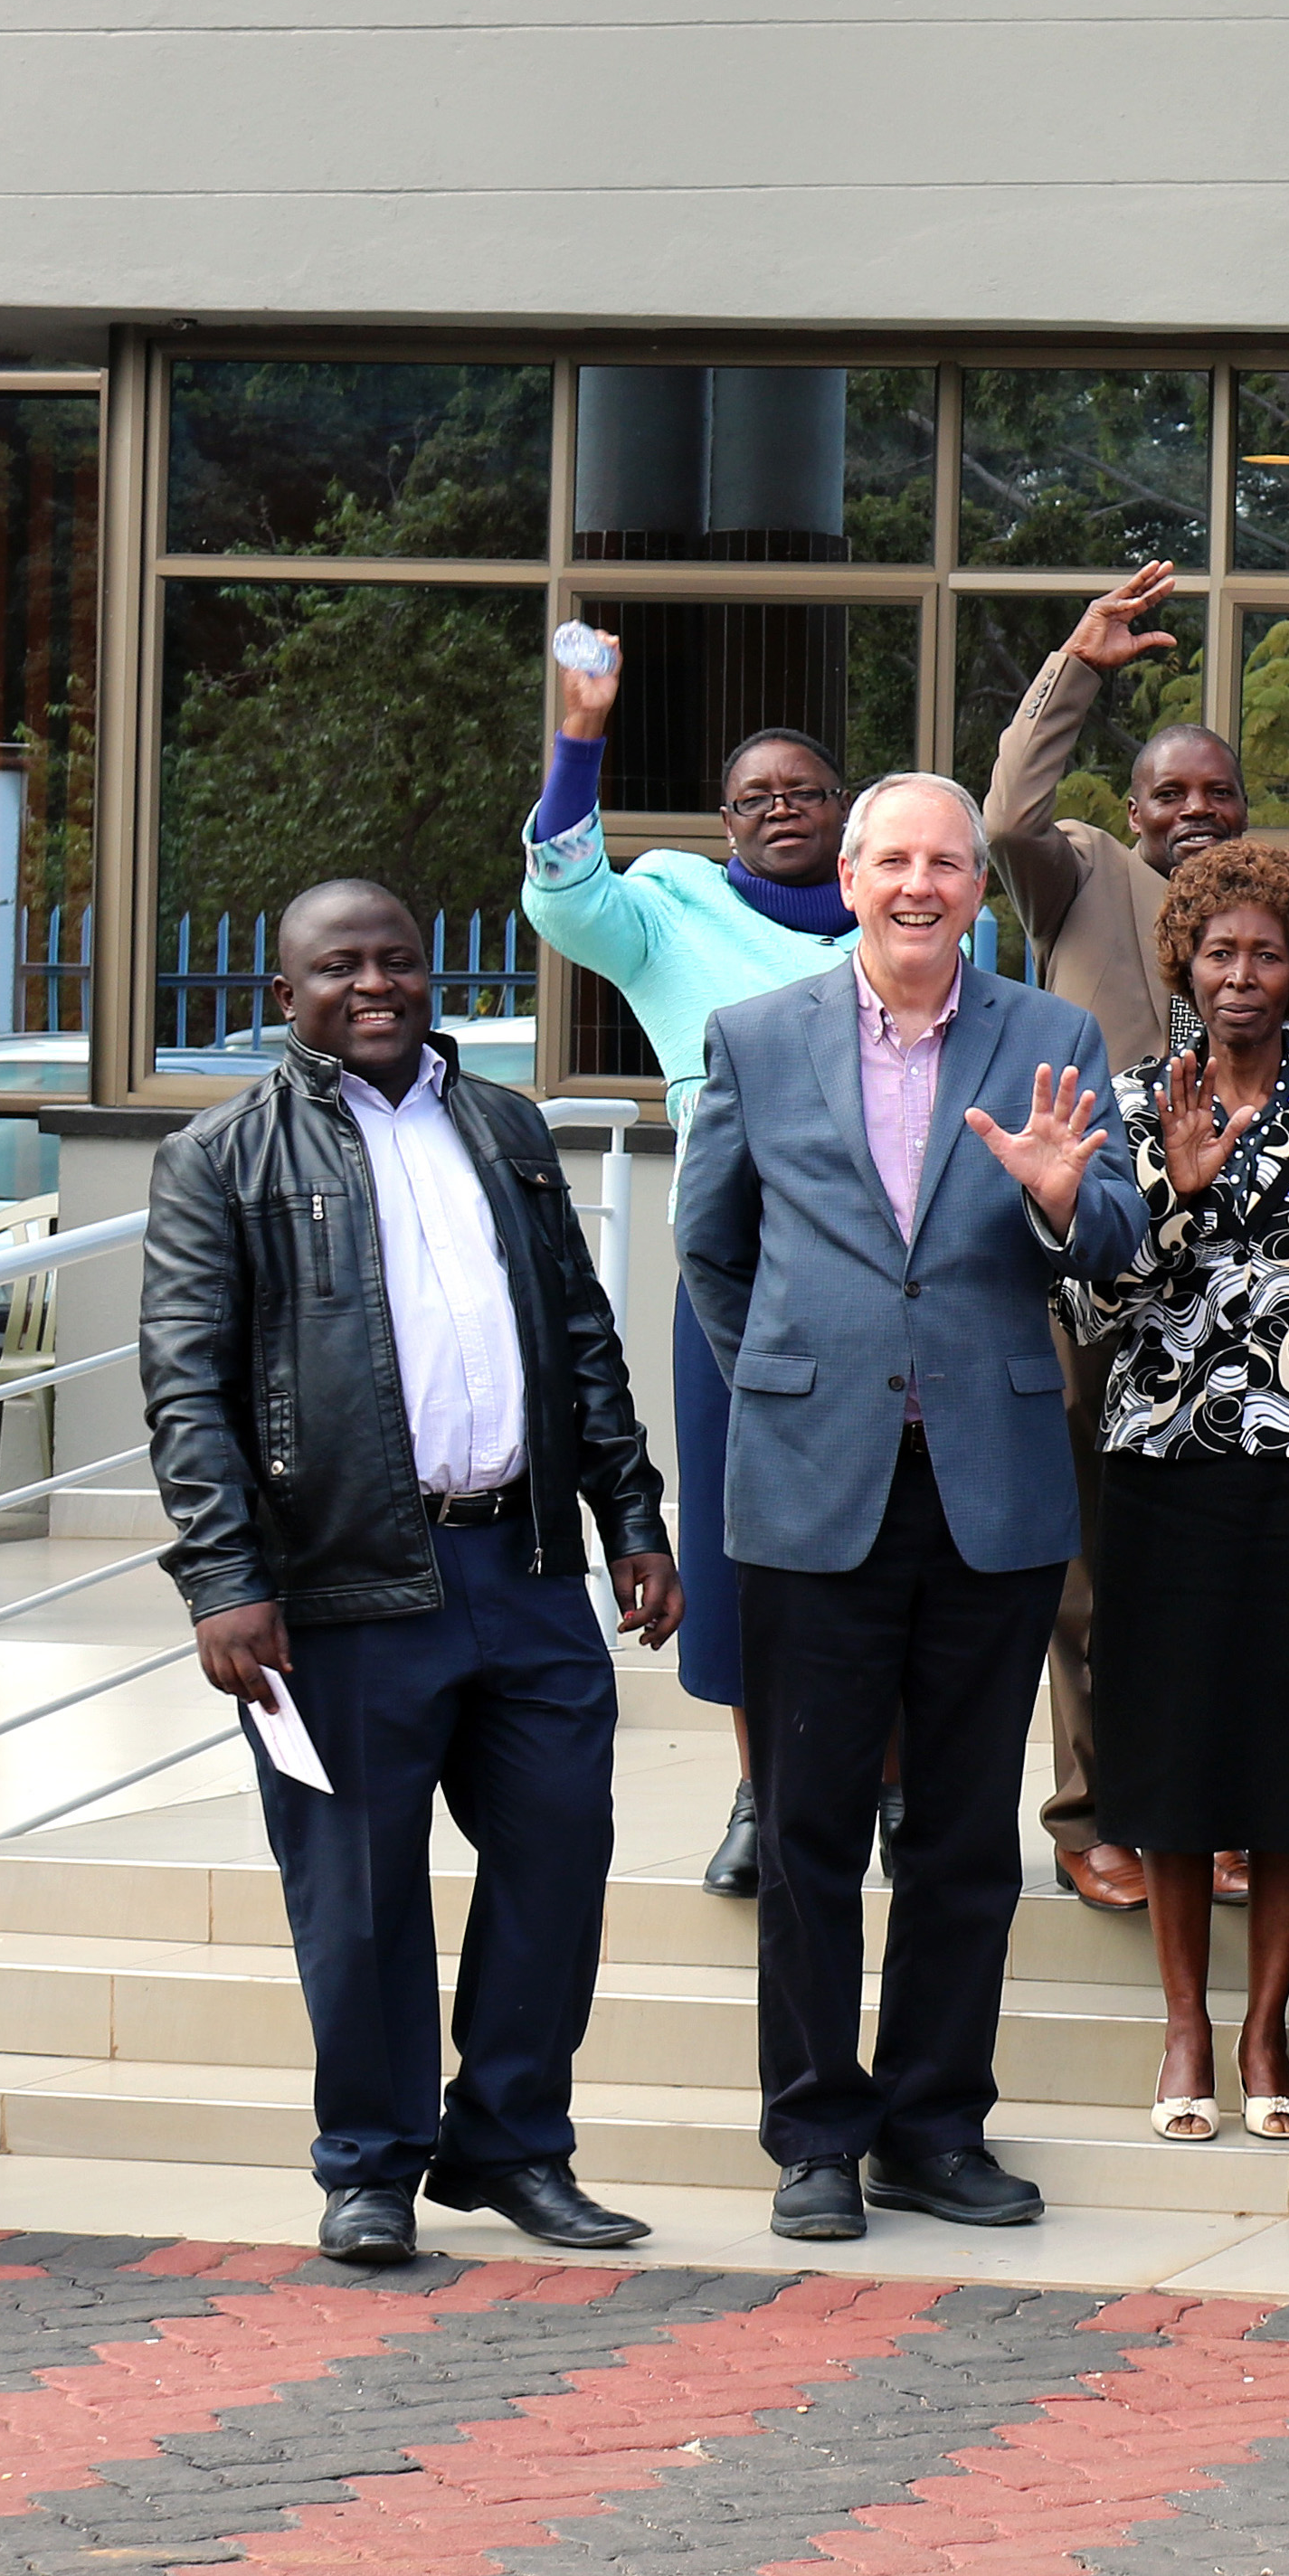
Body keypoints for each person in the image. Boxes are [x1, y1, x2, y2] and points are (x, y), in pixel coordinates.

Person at [138, 881, 680, 2266]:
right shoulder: (224, 1156)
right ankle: (370, 2164)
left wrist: (631, 1514)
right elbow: (186, 1386)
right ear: (285, 996)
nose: (373, 983)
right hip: (335, 1591)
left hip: (526, 1565)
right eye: (339, 966)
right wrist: (222, 1579)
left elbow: (577, 1328)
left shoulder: (498, 1124)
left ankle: (509, 2146)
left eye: (396, 960)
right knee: (361, 1893)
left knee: (558, 1859)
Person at [678, 771, 1147, 2244]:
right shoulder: (756, 1040)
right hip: (816, 1485)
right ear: (854, 877)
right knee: (810, 1822)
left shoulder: (1052, 1035)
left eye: (947, 860)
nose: (921, 883)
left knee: (958, 1832)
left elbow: (1119, 1245)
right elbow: (713, 1248)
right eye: (894, 859)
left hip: (991, 1486)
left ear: (970, 884)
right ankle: (816, 2132)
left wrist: (1067, 1201)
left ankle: (936, 2126)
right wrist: (800, 1371)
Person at [1066, 841, 1289, 2149]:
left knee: (1280, 1756)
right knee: (1166, 1756)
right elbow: (1091, 1303)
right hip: (1162, 1465)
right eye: (1219, 951)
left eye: (1267, 953)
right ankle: (1186, 2028)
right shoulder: (1127, 1098)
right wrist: (1176, 1195)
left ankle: (1268, 2028)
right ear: (1185, 961)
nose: (1241, 974)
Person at [512, 634, 861, 1899]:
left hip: (893, 1272)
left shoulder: (920, 915)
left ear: (847, 811)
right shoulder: (671, 908)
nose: (781, 806)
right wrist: (582, 731)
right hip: (740, 1272)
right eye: (756, 794)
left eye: (806, 790)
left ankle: (866, 1773)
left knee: (887, 1531)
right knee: (741, 1531)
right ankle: (763, 1788)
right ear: (726, 821)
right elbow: (561, 895)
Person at [984, 559, 1255, 1915]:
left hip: (1228, 1289)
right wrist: (1076, 671)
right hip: (1087, 1262)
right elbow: (1005, 812)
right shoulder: (1080, 875)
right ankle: (1090, 1810)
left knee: (1203, 1561)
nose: (1195, 812)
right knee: (1087, 1563)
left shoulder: (1272, 911)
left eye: (1217, 793)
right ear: (1135, 811)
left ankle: (1194, 1802)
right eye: (1171, 794)